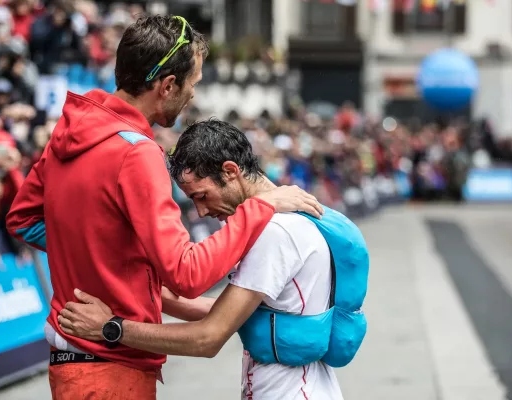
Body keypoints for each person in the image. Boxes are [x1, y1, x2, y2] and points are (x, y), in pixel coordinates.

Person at [6, 15, 322, 400]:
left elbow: (21, 220)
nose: (192, 95)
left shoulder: (70, 129)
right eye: (192, 83)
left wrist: (101, 259)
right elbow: (187, 274)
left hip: (75, 365)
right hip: (109, 368)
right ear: (168, 85)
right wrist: (261, 207)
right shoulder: (138, 153)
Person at [57, 119, 344, 400]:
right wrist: (139, 289)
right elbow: (229, 312)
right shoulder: (278, 221)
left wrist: (111, 327)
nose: (202, 212)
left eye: (202, 196)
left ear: (231, 171)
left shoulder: (275, 233)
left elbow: (208, 337)